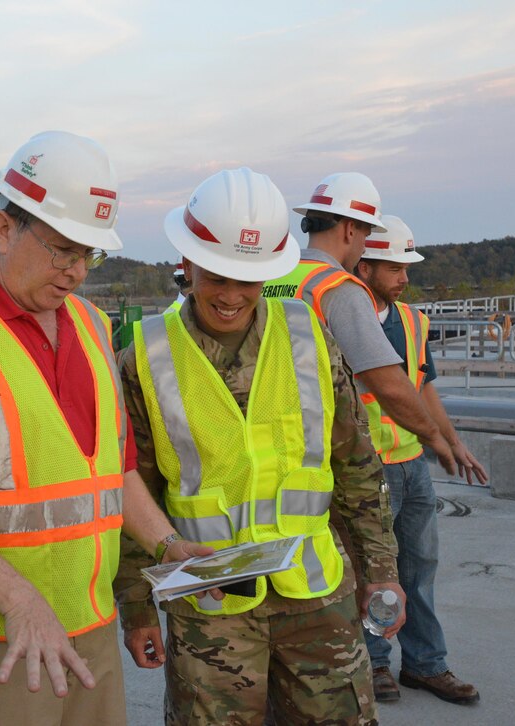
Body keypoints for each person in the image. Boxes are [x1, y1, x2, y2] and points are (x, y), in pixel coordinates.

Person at [0, 130, 213, 726]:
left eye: (89, 255)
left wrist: (167, 545)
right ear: (4, 229)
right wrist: (18, 599)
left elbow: (115, 470)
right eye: (63, 250)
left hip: (91, 629)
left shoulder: (91, 326)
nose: (77, 272)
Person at [114, 167, 405, 725]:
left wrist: (382, 569)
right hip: (210, 605)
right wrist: (136, 607)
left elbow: (356, 464)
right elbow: (133, 492)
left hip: (316, 595)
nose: (229, 295)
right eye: (215, 275)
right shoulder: (145, 357)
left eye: (246, 279)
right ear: (187, 262)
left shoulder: (308, 335)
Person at [353, 216, 486, 706]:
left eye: (406, 266)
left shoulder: (411, 320)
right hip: (366, 469)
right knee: (373, 570)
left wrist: (450, 442)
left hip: (411, 465)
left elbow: (422, 387)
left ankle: (426, 665)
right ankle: (374, 663)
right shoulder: (343, 315)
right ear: (363, 265)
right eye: (393, 267)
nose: (404, 277)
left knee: (420, 568)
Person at [261, 172, 460, 477]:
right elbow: (388, 384)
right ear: (351, 229)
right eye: (367, 234)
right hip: (327, 451)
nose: (364, 243)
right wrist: (434, 436)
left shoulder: (273, 279)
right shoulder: (339, 288)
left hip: (278, 443)